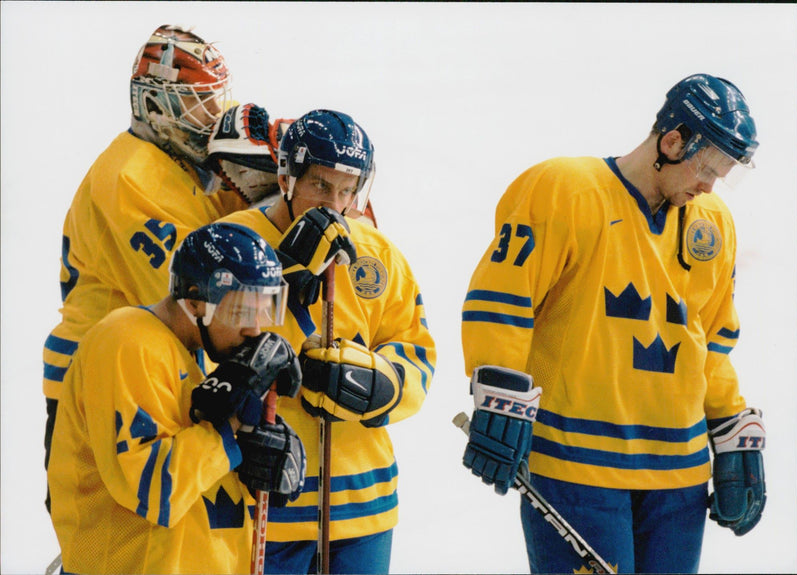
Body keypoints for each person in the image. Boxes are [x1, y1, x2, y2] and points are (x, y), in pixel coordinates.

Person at [460, 74, 766, 574]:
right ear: (671, 141)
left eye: (724, 174)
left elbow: (711, 341)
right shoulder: (564, 189)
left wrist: (731, 424)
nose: (711, 186)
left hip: (680, 478)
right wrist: (499, 388)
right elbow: (503, 301)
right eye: (707, 167)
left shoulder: (714, 223)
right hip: (577, 465)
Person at [41, 23, 286, 511]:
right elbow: (194, 285)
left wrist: (268, 187)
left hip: (154, 366)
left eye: (217, 100)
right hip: (96, 374)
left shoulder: (179, 165)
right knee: (112, 528)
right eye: (199, 103)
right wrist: (277, 216)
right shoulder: (128, 176)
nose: (214, 116)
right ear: (155, 106)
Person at [217, 109, 436, 574]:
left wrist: (386, 385)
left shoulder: (377, 253)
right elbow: (204, 354)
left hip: (364, 505)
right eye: (321, 185)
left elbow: (414, 349)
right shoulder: (231, 242)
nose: (335, 204)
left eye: (347, 190)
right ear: (287, 176)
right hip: (262, 501)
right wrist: (280, 278)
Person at [48, 222, 307, 573]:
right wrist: (229, 433)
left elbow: (200, 465)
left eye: (262, 311)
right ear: (196, 301)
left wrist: (253, 441)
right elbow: (154, 490)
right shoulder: (127, 342)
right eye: (241, 312)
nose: (255, 330)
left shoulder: (195, 352)